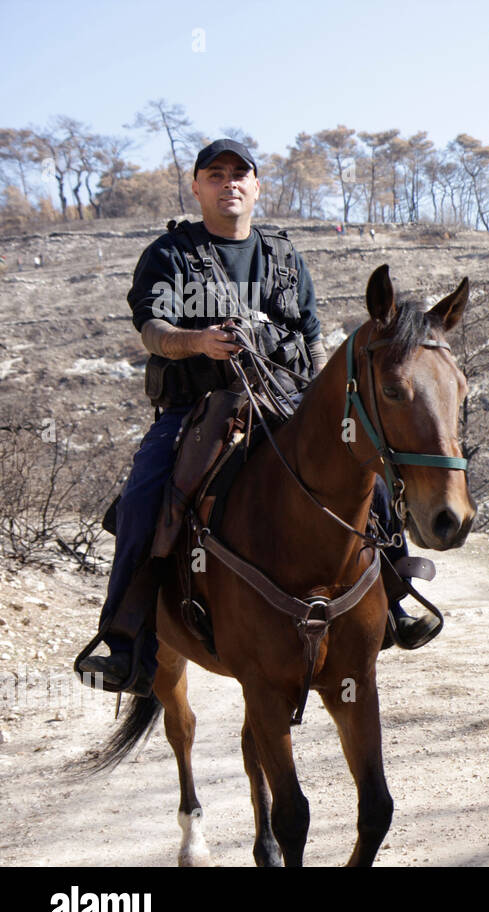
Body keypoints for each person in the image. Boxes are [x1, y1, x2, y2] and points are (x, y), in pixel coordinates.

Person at [78, 139, 438, 692]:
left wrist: (323, 406)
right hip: (196, 409)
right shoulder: (170, 255)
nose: (229, 184)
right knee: (143, 495)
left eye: (239, 174)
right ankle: (126, 640)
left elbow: (313, 339)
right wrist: (198, 340)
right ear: (197, 187)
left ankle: (394, 597)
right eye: (215, 175)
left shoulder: (285, 258)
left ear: (256, 187)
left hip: (286, 402)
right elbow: (151, 330)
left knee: (367, 464)